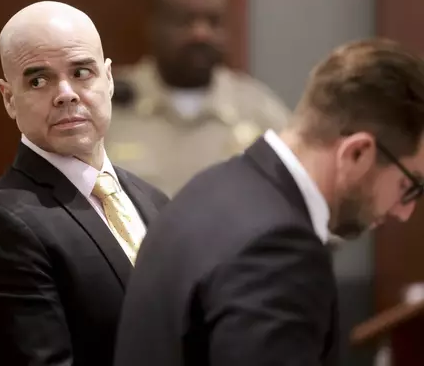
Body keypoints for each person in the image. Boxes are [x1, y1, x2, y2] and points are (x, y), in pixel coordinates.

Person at [113, 38, 424, 366]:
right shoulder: (278, 249)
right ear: (357, 153)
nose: (404, 211)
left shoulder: (214, 186)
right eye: (410, 185)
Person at [0, 1, 169, 366]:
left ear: (110, 80)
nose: (66, 93)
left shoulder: (155, 202)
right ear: (9, 98)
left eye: (82, 72)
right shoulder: (1, 225)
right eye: (38, 80)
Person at [106, 0, 290, 197]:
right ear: (154, 25)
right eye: (185, 20)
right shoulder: (106, 102)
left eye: (213, 21)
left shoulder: (260, 112)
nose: (200, 34)